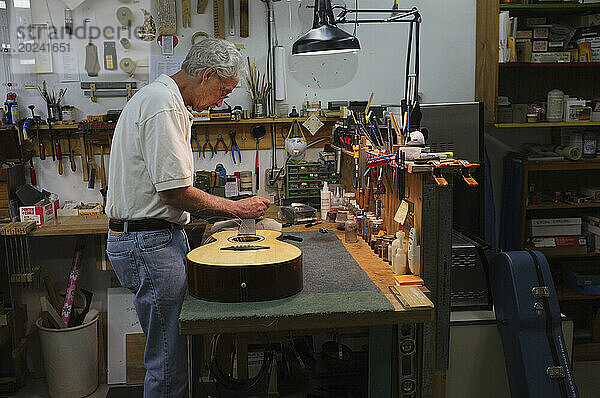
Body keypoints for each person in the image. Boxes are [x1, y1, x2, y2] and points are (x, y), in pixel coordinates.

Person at [105, 38, 270, 397]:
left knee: (174, 353)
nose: (221, 102)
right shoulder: (163, 105)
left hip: (149, 239)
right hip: (148, 243)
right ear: (207, 74)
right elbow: (174, 192)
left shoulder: (163, 100)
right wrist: (237, 209)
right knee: (167, 361)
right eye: (223, 91)